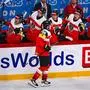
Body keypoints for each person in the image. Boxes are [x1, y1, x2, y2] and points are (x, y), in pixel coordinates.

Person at [28, 20, 52, 87]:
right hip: (43, 52)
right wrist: (45, 46)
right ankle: (33, 79)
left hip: (45, 52)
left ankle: (44, 80)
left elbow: (46, 41)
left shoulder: (47, 32)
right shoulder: (44, 31)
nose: (50, 26)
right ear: (46, 26)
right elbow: (39, 41)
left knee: (47, 66)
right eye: (49, 25)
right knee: (43, 67)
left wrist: (47, 46)